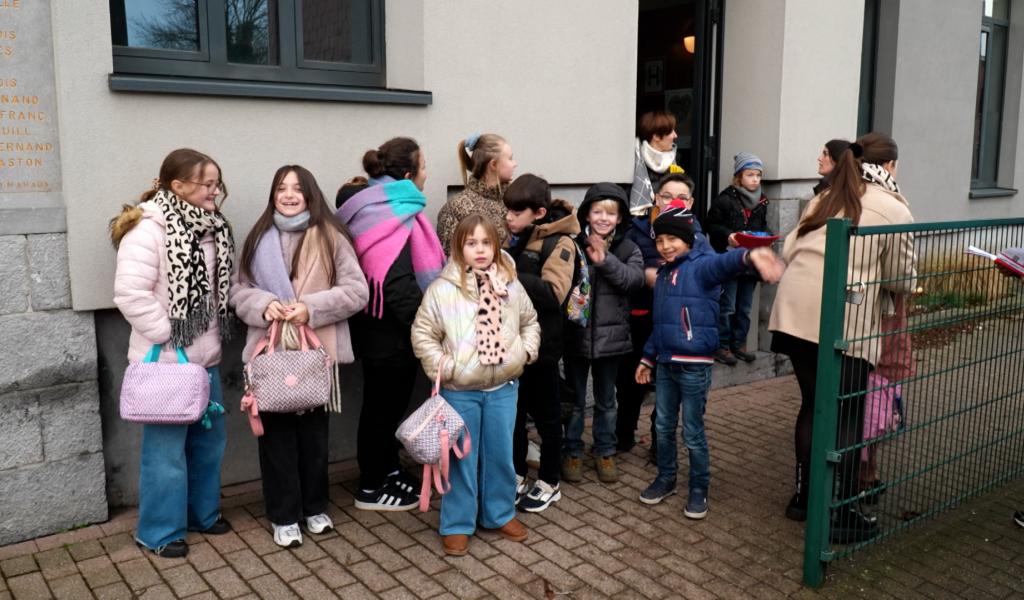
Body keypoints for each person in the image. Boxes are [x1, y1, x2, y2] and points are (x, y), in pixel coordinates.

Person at [769, 132, 916, 544]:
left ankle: (804, 499)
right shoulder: (894, 208)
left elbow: (789, 249)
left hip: (794, 313)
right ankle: (842, 512)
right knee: (848, 413)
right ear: (888, 167)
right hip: (844, 320)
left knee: (813, 405)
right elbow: (902, 279)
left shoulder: (827, 196)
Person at [230, 165, 369, 548]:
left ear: (310, 194)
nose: (289, 195)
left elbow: (357, 291)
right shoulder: (257, 238)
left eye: (297, 189)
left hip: (314, 354)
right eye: (281, 188)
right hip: (271, 353)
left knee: (313, 438)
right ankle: (283, 515)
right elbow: (237, 290)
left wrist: (311, 307)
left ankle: (314, 508)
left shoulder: (331, 237)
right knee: (275, 439)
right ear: (272, 194)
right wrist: (265, 304)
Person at [111, 148, 235, 558]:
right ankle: (159, 531)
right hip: (166, 364)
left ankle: (202, 513)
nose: (215, 192)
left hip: (206, 359)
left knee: (208, 443)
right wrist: (169, 335)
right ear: (178, 186)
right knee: (165, 453)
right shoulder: (148, 230)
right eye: (207, 184)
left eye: (218, 183)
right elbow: (130, 293)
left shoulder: (212, 227)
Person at [635, 201, 784, 519]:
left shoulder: (701, 266)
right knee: (662, 427)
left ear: (688, 239)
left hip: (694, 366)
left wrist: (749, 254)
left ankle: (699, 487)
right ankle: (666, 478)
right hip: (665, 364)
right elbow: (660, 324)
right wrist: (647, 359)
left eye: (671, 239)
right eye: (659, 241)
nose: (665, 246)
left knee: (692, 431)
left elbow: (725, 264)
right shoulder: (663, 275)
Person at [411, 214, 540, 557]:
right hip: (460, 391)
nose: (480, 250)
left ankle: (498, 514)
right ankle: (457, 523)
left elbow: (530, 321)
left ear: (496, 246)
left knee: (500, 455)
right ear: (459, 248)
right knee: (460, 460)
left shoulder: (510, 284)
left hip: (503, 388)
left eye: (486, 243)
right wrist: (446, 366)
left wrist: (525, 352)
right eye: (471, 243)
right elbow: (423, 335)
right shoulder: (442, 290)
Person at [336, 137, 446, 512]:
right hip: (391, 335)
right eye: (425, 166)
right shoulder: (394, 213)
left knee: (382, 408)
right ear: (407, 174)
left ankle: (387, 469)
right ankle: (371, 485)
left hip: (375, 328)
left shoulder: (372, 206)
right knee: (382, 410)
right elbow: (396, 285)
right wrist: (429, 328)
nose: (428, 174)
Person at [503, 174, 580, 512]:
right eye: (507, 211)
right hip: (513, 345)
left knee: (548, 419)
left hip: (544, 347)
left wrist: (511, 275)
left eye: (516, 212)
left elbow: (553, 293)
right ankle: (517, 474)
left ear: (538, 212)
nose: (508, 218)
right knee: (514, 415)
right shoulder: (516, 237)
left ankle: (550, 480)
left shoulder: (560, 243)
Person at [562, 183, 645, 484]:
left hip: (612, 341)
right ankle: (571, 449)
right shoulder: (571, 243)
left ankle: (605, 450)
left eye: (611, 213)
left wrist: (605, 260)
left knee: (607, 400)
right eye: (597, 211)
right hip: (576, 337)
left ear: (621, 217)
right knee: (574, 400)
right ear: (586, 213)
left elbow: (633, 281)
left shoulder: (627, 248)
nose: (603, 218)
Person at [616, 172, 699, 456]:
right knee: (631, 383)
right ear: (655, 198)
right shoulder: (635, 230)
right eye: (667, 197)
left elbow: (710, 268)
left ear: (691, 202)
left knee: (667, 387)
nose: (673, 202)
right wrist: (644, 275)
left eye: (681, 198)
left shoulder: (697, 234)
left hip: (677, 322)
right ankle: (623, 436)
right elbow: (622, 266)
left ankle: (659, 445)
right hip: (639, 317)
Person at [705, 152, 772, 366]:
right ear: (738, 176)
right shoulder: (725, 199)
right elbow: (711, 225)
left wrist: (767, 237)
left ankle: (739, 343)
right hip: (729, 259)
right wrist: (728, 235)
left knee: (744, 306)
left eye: (758, 175)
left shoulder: (762, 201)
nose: (755, 179)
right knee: (728, 305)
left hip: (751, 262)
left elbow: (761, 228)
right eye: (750, 174)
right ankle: (722, 345)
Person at [436, 133, 517, 253]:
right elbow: (452, 259)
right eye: (510, 158)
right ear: (493, 164)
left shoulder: (515, 200)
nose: (515, 164)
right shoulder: (456, 208)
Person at [629, 111, 684, 216]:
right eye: (671, 131)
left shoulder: (676, 162)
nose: (675, 135)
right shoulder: (633, 163)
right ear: (657, 136)